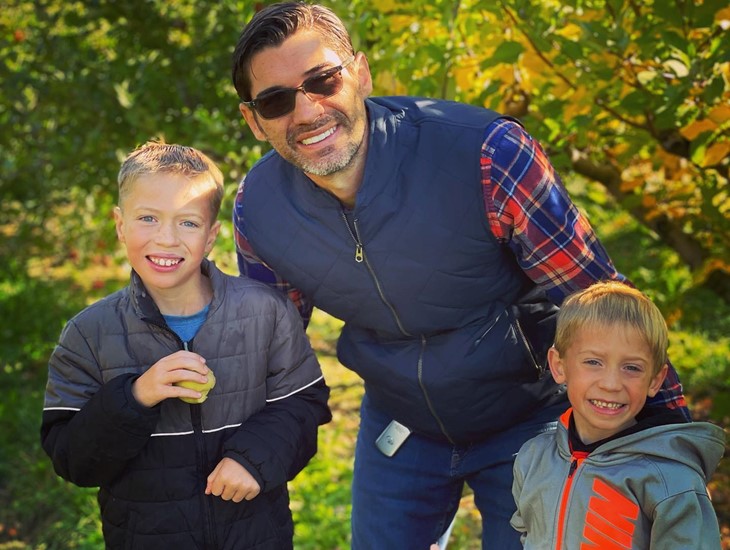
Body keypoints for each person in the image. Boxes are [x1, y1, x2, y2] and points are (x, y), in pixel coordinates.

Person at [230, 3, 688, 548]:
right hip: (400, 422)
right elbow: (267, 354)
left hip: (530, 415)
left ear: (360, 73)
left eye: (323, 81)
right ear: (254, 120)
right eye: (277, 101)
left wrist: (670, 447)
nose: (307, 111)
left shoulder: (488, 155)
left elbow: (602, 308)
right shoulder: (259, 211)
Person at [41, 141, 331, 549]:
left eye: (188, 223)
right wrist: (136, 396)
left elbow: (305, 403)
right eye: (148, 218)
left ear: (212, 236)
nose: (167, 239)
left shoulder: (266, 312)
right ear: (120, 225)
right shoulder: (89, 334)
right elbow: (73, 458)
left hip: (255, 536)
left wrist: (255, 456)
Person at [511, 281, 725, 549]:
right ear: (559, 366)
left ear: (655, 380)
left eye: (632, 368)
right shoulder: (533, 459)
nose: (611, 384)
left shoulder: (671, 480)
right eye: (593, 362)